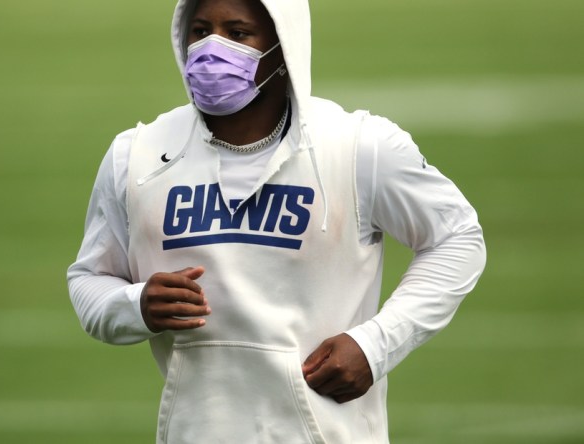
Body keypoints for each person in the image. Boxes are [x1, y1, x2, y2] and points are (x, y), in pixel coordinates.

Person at [67, 0, 486, 442]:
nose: (213, 48)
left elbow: (457, 238)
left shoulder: (358, 146)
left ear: (284, 44)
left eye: (238, 33)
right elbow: (89, 280)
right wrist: (136, 306)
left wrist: (376, 344)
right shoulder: (138, 155)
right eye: (200, 30)